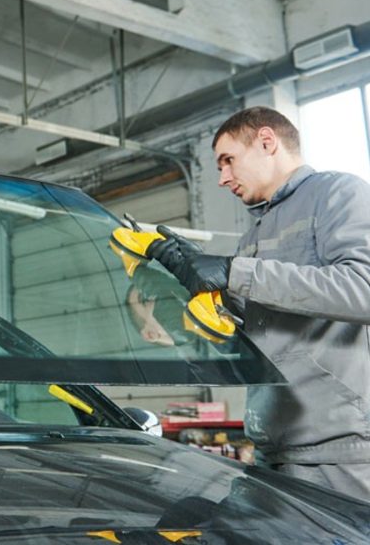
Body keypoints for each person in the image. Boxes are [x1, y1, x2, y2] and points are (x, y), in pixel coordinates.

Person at [146, 106, 370, 501]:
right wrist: (190, 277)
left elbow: (362, 287)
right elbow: (251, 328)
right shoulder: (254, 233)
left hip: (340, 452)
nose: (222, 178)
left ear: (267, 142)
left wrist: (235, 271)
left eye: (228, 160)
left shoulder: (338, 193)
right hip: (272, 444)